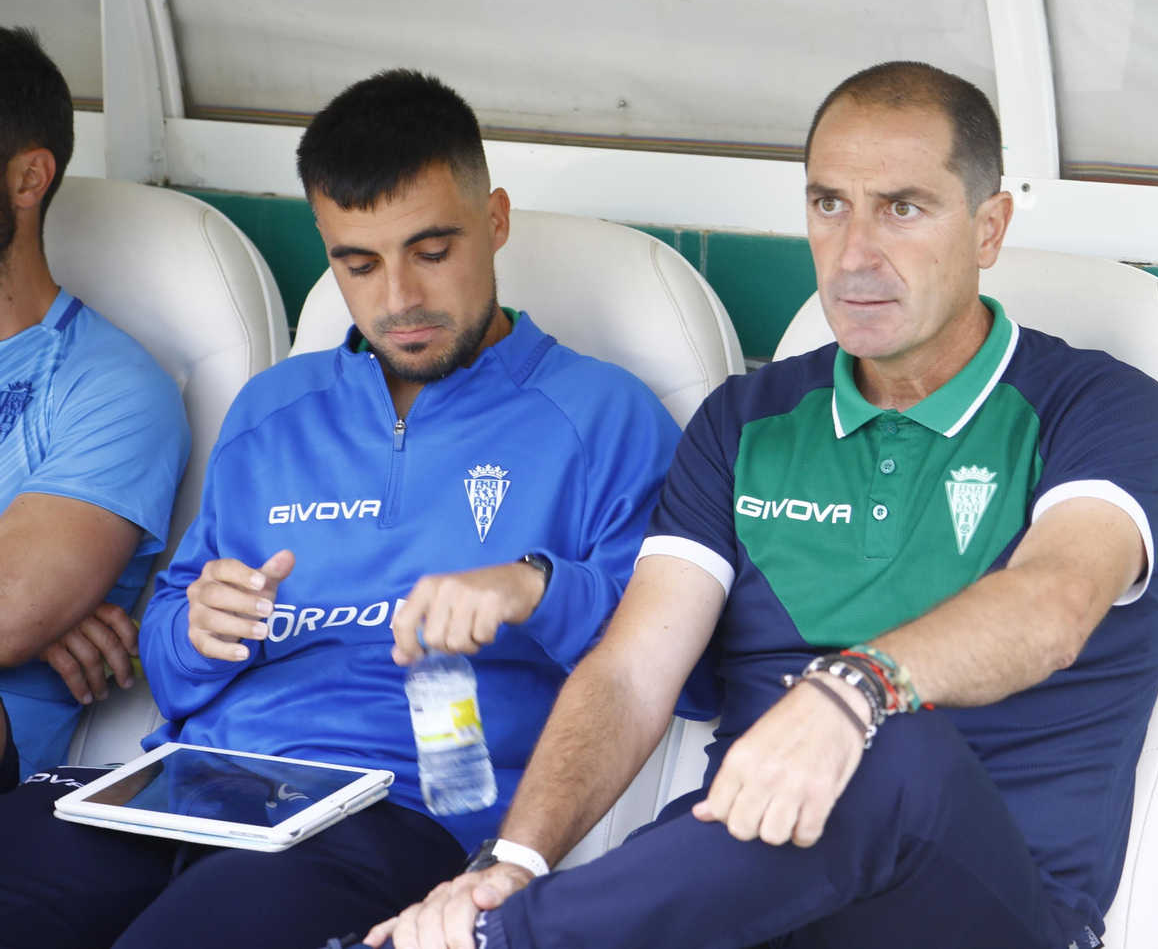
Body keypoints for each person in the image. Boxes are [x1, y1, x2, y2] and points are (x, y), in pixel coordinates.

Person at [371, 60, 1158, 949]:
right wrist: (510, 864)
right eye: (830, 205)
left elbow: (1056, 604)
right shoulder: (746, 421)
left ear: (989, 229)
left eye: (903, 208)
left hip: (981, 909)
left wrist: (854, 689)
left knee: (891, 743)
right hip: (754, 897)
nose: (857, 252)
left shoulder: (1099, 406)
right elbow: (634, 673)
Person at [0, 69, 694, 949]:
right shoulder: (272, 410)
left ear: (496, 221)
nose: (397, 299)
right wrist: (199, 627)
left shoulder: (601, 415)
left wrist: (533, 588)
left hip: (398, 807)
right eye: (357, 264)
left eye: (431, 251)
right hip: (188, 786)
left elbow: (668, 664)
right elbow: (170, 668)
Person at [0, 27, 189, 790]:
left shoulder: (109, 384)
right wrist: (42, 618)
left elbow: (10, 606)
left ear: (28, 178)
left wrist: (28, 621)